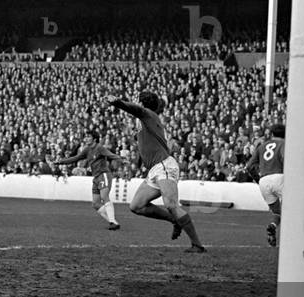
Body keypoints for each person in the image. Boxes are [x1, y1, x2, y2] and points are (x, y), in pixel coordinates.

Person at [105, 91, 206, 252]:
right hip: (155, 169)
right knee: (136, 206)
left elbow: (136, 110)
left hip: (164, 165)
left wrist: (118, 102)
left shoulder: (148, 114)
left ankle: (197, 245)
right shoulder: (146, 120)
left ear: (141, 102)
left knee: (171, 204)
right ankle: (174, 220)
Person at [247, 123, 304, 250]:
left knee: (277, 212)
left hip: (264, 181)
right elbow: (286, 159)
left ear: (271, 134)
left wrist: (258, 179)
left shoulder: (262, 146)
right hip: (280, 178)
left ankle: (272, 226)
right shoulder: (284, 145)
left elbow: (249, 166)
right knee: (300, 209)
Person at [49, 131, 125, 230]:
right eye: (85, 137)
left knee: (104, 196)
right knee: (95, 204)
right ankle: (113, 222)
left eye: (88, 136)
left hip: (104, 174)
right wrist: (60, 162)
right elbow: (76, 158)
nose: (86, 138)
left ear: (94, 139)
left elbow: (111, 155)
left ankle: (112, 222)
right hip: (96, 177)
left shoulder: (99, 148)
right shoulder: (87, 150)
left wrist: (122, 159)